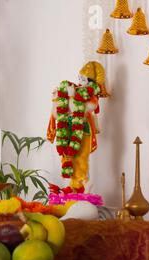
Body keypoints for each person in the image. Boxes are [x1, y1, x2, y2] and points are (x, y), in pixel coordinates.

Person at [47, 61, 108, 194]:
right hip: (67, 129)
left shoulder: (92, 96)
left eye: (83, 78)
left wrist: (70, 96)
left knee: (80, 159)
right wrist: (56, 97)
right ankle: (71, 185)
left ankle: (80, 185)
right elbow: (57, 114)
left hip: (82, 131)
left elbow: (79, 108)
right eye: (79, 77)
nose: (80, 80)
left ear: (90, 80)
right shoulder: (75, 89)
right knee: (66, 156)